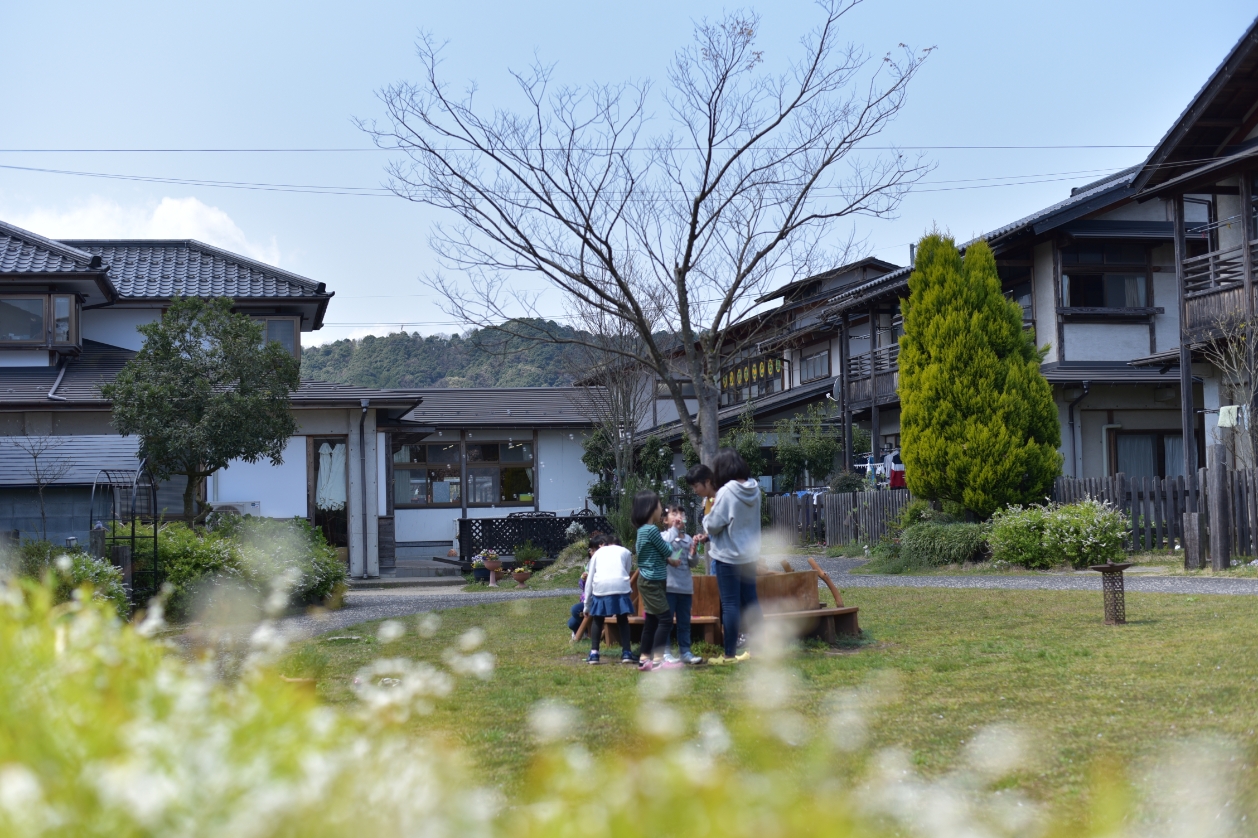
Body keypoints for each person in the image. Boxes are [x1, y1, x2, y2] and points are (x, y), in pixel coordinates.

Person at [704, 447, 761, 665]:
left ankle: (729, 654)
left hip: (728, 556)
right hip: (749, 555)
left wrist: (706, 514)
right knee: (751, 602)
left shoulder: (727, 491)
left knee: (730, 605)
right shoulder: (754, 488)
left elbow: (714, 524)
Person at [632, 490, 680, 671]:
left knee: (652, 620)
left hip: (650, 580)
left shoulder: (643, 530)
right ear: (650, 508)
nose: (662, 508)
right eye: (660, 505)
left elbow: (657, 553)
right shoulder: (651, 530)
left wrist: (669, 558)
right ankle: (659, 660)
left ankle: (645, 659)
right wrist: (672, 555)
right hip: (652, 581)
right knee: (666, 619)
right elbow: (666, 549)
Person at [583, 532, 636, 665]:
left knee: (597, 619)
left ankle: (594, 653)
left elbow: (589, 579)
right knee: (622, 619)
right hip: (621, 586)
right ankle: (627, 653)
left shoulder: (598, 553)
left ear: (604, 544)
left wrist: (586, 604)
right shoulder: (626, 552)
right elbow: (626, 570)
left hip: (601, 587)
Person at [662, 504, 704, 665]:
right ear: (665, 520)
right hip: (668, 587)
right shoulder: (663, 536)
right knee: (666, 622)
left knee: (684, 622)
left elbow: (692, 563)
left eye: (681, 514)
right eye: (674, 514)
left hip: (685, 587)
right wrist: (674, 529)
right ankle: (665, 652)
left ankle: (685, 652)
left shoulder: (687, 539)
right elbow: (666, 544)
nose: (679, 516)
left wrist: (693, 553)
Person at [684, 463, 718, 574]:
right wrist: (705, 537)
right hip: (717, 557)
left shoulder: (721, 498)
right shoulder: (706, 501)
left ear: (707, 481)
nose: (694, 490)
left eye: (696, 486)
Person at [567, 535, 600, 638]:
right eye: (591, 550)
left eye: (595, 550)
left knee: (575, 610)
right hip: (587, 598)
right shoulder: (589, 564)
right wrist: (583, 579)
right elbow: (583, 587)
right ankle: (585, 630)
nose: (592, 552)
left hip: (596, 599)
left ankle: (587, 630)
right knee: (571, 624)